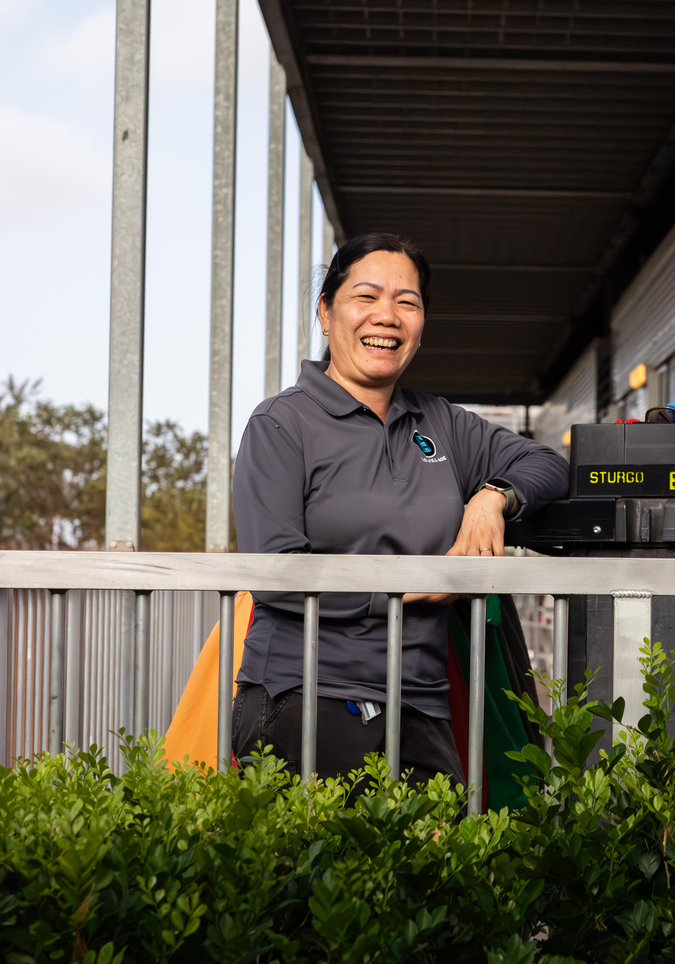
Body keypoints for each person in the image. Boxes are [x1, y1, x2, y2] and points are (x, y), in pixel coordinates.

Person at [230, 232, 569, 786]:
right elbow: (275, 571)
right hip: (305, 695)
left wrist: (492, 498)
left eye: (407, 303)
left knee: (433, 869)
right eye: (366, 297)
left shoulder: (442, 423)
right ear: (325, 313)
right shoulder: (280, 424)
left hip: (421, 702)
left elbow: (548, 463)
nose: (386, 316)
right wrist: (411, 588)